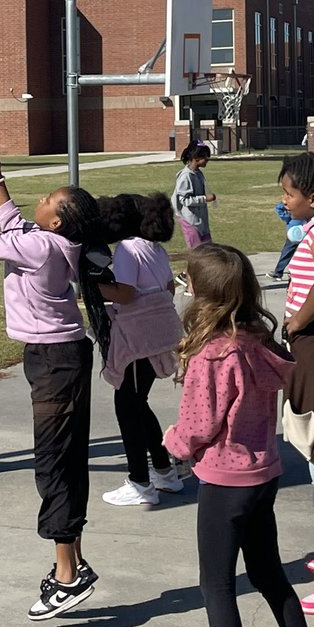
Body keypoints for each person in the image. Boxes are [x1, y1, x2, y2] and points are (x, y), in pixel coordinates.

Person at [0, 132, 112, 620]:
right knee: (66, 459)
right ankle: (72, 563)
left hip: (55, 362)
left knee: (54, 464)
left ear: (56, 220)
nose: (41, 200)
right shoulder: (56, 242)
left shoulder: (43, 247)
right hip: (59, 357)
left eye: (48, 200)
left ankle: (67, 577)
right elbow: (13, 229)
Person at [164, 243, 314, 627]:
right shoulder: (259, 340)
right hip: (264, 476)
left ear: (201, 291)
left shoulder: (213, 354)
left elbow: (198, 425)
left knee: (216, 585)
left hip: (224, 481)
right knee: (269, 574)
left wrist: (170, 444)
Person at [97, 193, 184, 507]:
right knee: (137, 403)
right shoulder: (155, 248)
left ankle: (140, 483)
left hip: (138, 339)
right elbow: (170, 287)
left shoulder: (126, 249)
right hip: (160, 336)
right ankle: (164, 471)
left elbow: (125, 294)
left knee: (127, 407)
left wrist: (92, 286)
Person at [278, 152, 314, 616]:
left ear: (312, 198)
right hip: (313, 349)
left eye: (289, 194)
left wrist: (297, 322)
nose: (284, 201)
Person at [172, 139, 215, 291]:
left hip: (201, 220)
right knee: (196, 253)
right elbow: (183, 200)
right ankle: (191, 287)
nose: (207, 161)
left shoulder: (198, 174)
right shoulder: (185, 176)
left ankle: (185, 275)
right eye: (205, 158)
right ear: (196, 158)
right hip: (189, 220)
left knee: (207, 250)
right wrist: (204, 199)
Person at [265, 198, 299, 282]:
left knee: (288, 252)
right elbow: (279, 208)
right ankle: (278, 273)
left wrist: (288, 218)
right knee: (288, 252)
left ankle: (278, 273)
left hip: (300, 229)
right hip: (295, 231)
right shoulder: (292, 198)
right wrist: (288, 217)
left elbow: (279, 208)